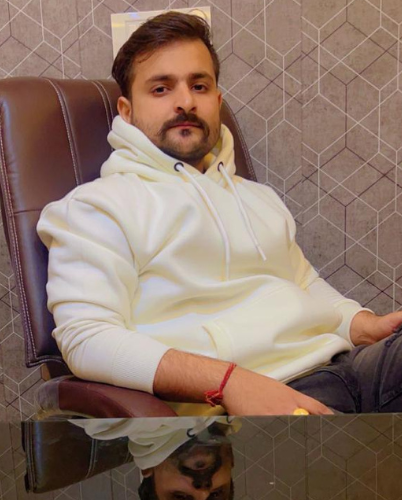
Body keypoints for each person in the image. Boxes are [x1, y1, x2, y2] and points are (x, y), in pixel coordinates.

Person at [37, 12, 402, 416]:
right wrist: (229, 383)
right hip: (262, 402)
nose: (185, 101)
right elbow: (86, 338)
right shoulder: (96, 209)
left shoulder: (257, 197)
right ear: (127, 110)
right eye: (161, 89)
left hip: (349, 365)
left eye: (199, 86)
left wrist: (360, 323)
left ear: (217, 101)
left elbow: (303, 282)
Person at [71, 416, 240, 499]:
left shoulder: (104, 418)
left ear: (148, 469)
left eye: (181, 498)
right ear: (231, 458)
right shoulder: (246, 397)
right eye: (216, 494)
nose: (203, 491)